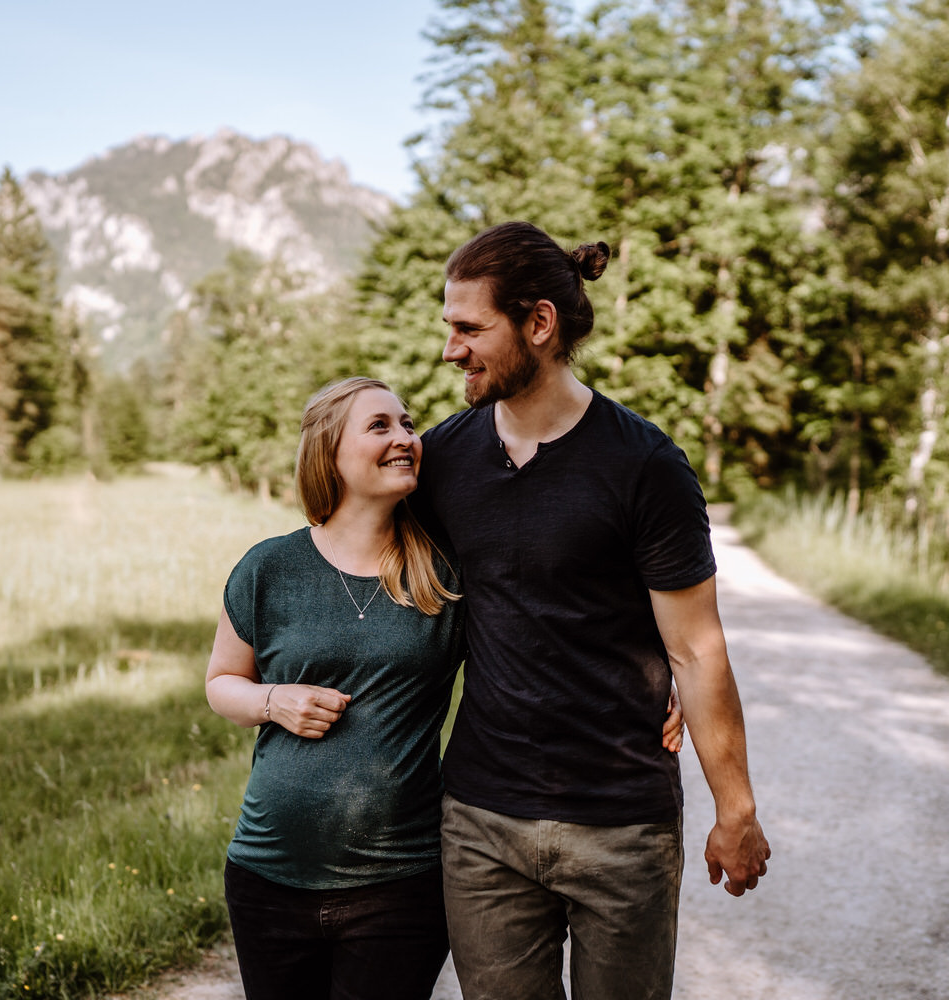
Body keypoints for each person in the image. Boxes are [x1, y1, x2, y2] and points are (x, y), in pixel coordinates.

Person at [416, 221, 771, 1000]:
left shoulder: (644, 466)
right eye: (450, 327)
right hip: (482, 823)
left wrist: (735, 810)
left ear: (539, 323)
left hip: (623, 827)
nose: (450, 350)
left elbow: (698, 652)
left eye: (469, 328)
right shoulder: (441, 460)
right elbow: (372, 572)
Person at [203, 376, 464, 1000]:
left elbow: (537, 654)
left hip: (399, 887)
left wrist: (649, 677)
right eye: (380, 426)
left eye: (407, 423)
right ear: (330, 453)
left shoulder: (445, 573)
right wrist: (274, 701)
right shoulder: (269, 567)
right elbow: (221, 682)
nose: (405, 437)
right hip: (267, 876)